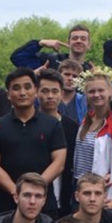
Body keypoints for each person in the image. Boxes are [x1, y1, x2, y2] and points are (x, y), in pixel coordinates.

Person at [0, 67, 67, 215]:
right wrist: (16, 192)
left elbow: (59, 163)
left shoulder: (52, 124)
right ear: (8, 94)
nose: (22, 93)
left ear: (35, 91)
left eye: (27, 87)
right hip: (7, 204)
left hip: (44, 204)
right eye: (16, 88)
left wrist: (34, 191)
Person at [74, 69, 112, 203]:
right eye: (91, 91)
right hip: (78, 187)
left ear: (110, 92)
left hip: (97, 194)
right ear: (86, 94)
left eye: (101, 90)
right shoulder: (86, 121)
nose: (96, 94)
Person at [36, 68, 78, 215]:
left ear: (61, 93)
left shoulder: (72, 126)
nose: (50, 96)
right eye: (45, 91)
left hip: (65, 196)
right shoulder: (29, 123)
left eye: (55, 91)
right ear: (36, 92)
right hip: (35, 197)